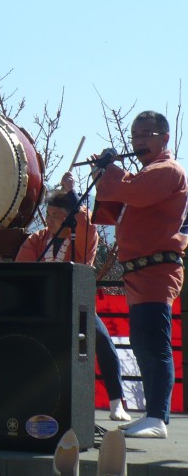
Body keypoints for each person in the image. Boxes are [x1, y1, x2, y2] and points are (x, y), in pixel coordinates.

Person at [91, 110, 188, 439]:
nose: (140, 141)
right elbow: (111, 205)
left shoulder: (167, 170)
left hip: (156, 269)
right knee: (144, 341)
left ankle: (157, 417)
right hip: (140, 272)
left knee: (153, 342)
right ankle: (153, 415)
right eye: (135, 136)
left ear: (165, 138)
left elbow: (131, 191)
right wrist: (106, 174)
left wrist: (112, 172)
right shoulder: (147, 174)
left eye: (147, 134)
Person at [14, 172, 131, 422]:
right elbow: (23, 267)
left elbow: (87, 228)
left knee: (101, 339)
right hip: (42, 305)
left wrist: (73, 193)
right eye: (49, 216)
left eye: (57, 217)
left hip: (76, 303)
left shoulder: (82, 236)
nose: (51, 221)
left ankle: (116, 401)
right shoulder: (38, 239)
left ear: (70, 218)